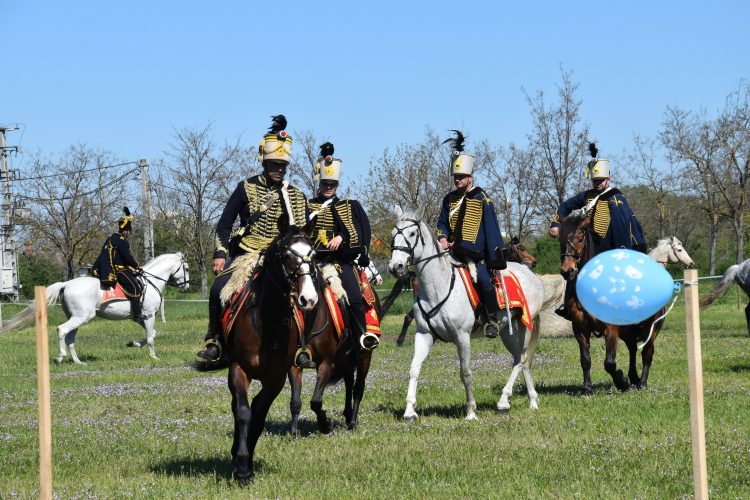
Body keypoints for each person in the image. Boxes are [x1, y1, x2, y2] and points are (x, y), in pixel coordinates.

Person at [196, 115, 309, 365]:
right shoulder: (245, 187)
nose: (279, 169)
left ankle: (303, 345)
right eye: (274, 164)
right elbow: (225, 223)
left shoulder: (296, 196)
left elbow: (301, 232)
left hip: (283, 258)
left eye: (283, 165)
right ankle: (215, 340)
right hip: (248, 254)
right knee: (217, 290)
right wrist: (220, 253)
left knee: (309, 289)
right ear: (264, 162)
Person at [549, 142, 647, 319]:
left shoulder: (616, 198)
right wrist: (556, 223)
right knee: (571, 265)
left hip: (608, 247)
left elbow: (623, 227)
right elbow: (564, 207)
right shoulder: (586, 196)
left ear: (608, 180)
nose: (597, 183)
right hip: (587, 246)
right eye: (595, 180)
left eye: (600, 180)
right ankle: (569, 305)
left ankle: (625, 308)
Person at [307, 142, 379, 354]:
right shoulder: (308, 205)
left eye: (333, 184)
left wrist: (341, 236)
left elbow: (354, 228)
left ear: (337, 185)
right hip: (311, 260)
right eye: (325, 183)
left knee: (355, 297)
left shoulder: (346, 206)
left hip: (337, 262)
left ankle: (360, 337)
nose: (329, 187)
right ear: (319, 183)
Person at [436, 131, 507, 338]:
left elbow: (492, 229)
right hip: (451, 252)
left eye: (461, 177)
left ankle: (492, 320)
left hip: (476, 255)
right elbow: (442, 223)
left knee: (484, 281)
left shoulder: (481, 197)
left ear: (470, 177)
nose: (458, 180)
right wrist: (442, 237)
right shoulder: (449, 199)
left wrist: (494, 261)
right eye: (455, 177)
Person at [92, 207, 147, 323]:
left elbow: (117, 257)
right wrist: (137, 266)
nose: (130, 233)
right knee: (135, 288)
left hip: (116, 268)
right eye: (129, 230)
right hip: (119, 271)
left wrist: (129, 266)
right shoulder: (122, 240)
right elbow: (127, 257)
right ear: (125, 230)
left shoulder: (112, 238)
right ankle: (137, 315)